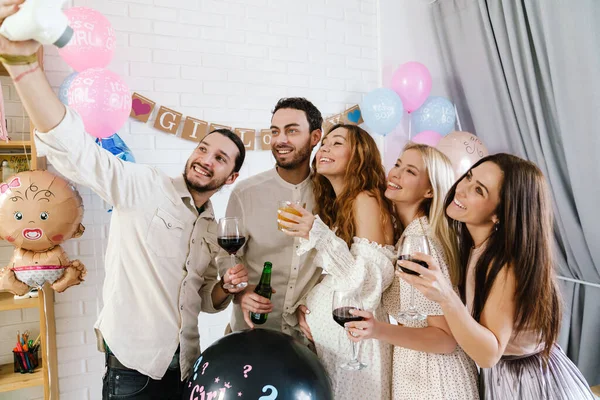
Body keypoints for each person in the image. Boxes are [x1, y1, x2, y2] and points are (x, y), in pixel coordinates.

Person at [0, 16, 249, 399]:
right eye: (202, 148)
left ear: (230, 176)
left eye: (220, 158)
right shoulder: (144, 185)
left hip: (185, 368)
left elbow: (200, 299)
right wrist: (24, 68)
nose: (205, 159)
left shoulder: (211, 225)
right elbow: (79, 154)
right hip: (134, 372)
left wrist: (225, 291)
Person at [398, 154, 595, 399]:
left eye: (479, 190)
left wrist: (446, 296)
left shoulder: (504, 264)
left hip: (527, 384)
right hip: (510, 377)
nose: (462, 189)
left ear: (499, 214)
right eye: (468, 177)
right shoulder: (476, 246)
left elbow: (488, 355)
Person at [346, 143, 479, 399]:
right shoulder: (410, 233)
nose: (395, 174)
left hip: (435, 377)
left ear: (430, 190)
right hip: (416, 369)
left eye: (410, 171)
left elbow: (444, 338)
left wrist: (376, 330)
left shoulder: (421, 241)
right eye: (397, 165)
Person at [279, 124, 395, 399]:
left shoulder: (365, 199)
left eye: (337, 143)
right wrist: (306, 307)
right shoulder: (339, 204)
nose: (325, 148)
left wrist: (317, 234)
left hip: (356, 349)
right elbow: (337, 276)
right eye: (324, 143)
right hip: (336, 347)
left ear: (360, 155)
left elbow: (366, 285)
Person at [225, 98, 323, 338]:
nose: (281, 140)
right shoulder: (246, 192)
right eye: (275, 131)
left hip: (310, 337)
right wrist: (241, 292)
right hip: (251, 332)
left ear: (315, 137)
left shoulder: (330, 193)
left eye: (292, 131)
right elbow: (226, 256)